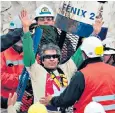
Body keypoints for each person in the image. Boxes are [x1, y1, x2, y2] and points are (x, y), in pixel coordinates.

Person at [39, 37, 115, 113]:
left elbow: (67, 100)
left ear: (84, 53)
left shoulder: (82, 75)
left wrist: (52, 100)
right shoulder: (113, 71)